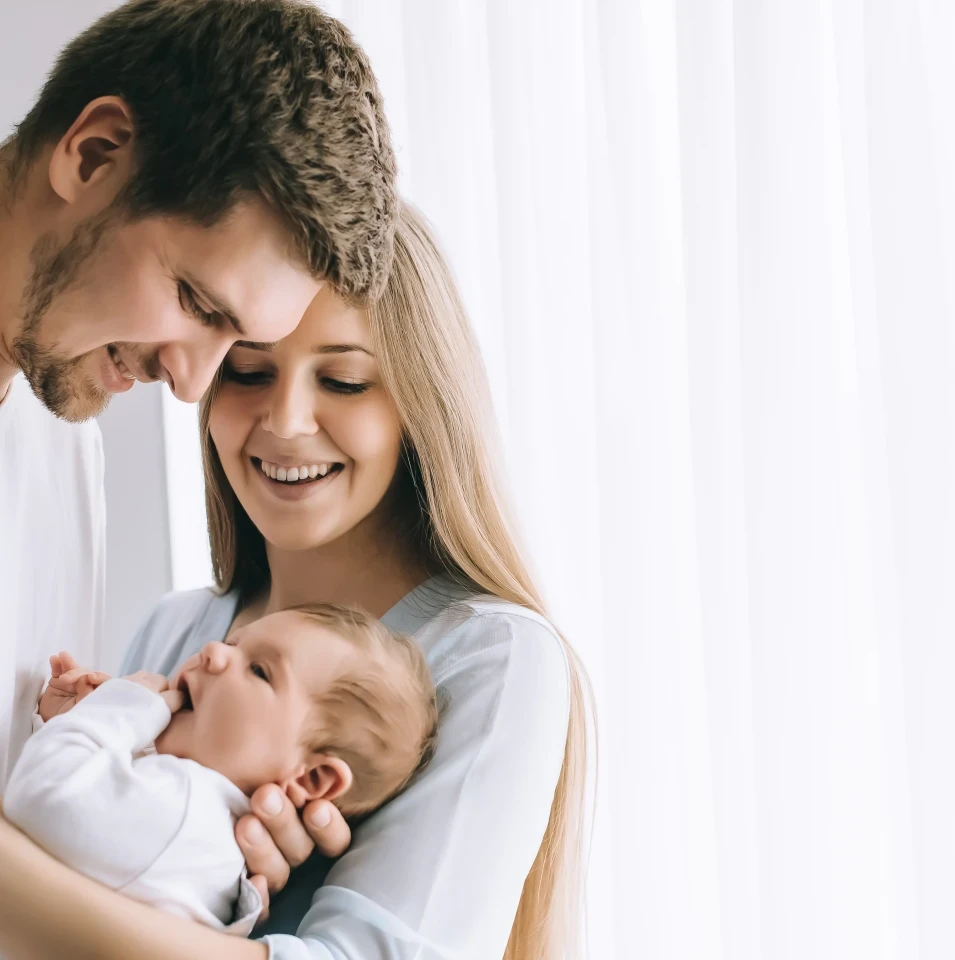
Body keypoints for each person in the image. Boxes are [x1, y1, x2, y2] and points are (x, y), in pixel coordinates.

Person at [0, 203, 593, 960]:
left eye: (344, 381)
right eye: (249, 372)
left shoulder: (491, 657)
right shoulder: (175, 632)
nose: (285, 422)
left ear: (421, 406)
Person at [0, 0, 397, 827]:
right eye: (195, 301)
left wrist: (182, 830)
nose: (189, 385)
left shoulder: (64, 453)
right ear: (94, 153)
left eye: (235, 345)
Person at [4, 605, 436, 936]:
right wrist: (68, 720)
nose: (212, 652)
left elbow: (38, 797)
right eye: (231, 643)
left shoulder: (185, 813)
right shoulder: (192, 816)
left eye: (259, 670)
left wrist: (116, 710)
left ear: (311, 778)